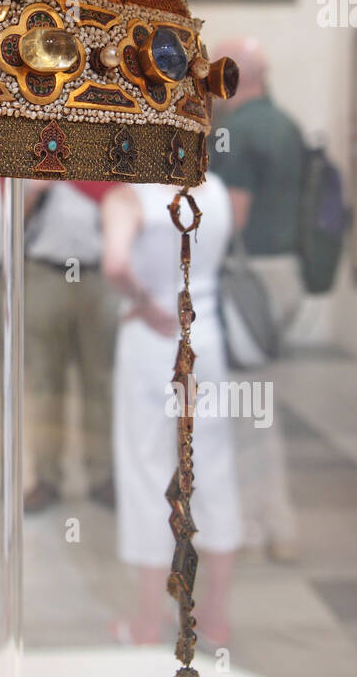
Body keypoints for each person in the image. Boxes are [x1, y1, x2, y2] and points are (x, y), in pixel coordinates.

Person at [101, 174, 241, 645]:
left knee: (147, 472)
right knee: (213, 472)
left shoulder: (129, 197)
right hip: (207, 340)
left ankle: (146, 621)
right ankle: (215, 620)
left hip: (151, 342)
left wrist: (141, 301)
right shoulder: (217, 191)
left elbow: (115, 263)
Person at [209, 36, 303, 560]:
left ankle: (252, 523)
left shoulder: (238, 132)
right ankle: (276, 522)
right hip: (282, 273)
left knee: (245, 406)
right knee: (259, 402)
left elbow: (234, 217)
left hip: (250, 280)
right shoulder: (285, 123)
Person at [22, 181, 119, 512]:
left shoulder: (110, 146)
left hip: (98, 275)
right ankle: (47, 478)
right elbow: (6, 221)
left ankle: (103, 477)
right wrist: (36, 191)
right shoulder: (37, 148)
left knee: (100, 381)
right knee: (45, 382)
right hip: (46, 273)